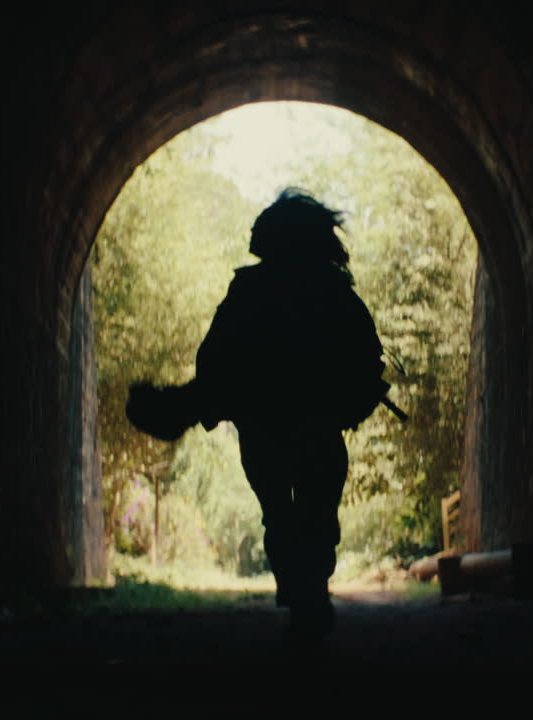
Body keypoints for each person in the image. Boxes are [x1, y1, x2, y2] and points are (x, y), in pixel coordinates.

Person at [126, 189, 393, 644]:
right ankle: (310, 592)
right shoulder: (335, 293)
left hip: (265, 431)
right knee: (315, 514)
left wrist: (204, 400)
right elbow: (366, 360)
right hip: (317, 432)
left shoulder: (249, 291)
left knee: (281, 515)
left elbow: (213, 361)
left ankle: (300, 589)